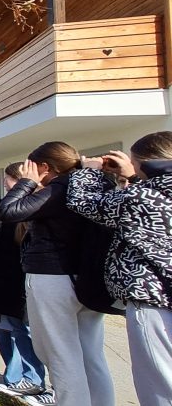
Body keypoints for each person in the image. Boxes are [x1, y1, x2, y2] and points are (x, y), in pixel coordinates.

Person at [0, 141, 114, 406]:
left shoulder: (58, 189)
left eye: (32, 167)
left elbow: (8, 211)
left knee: (60, 353)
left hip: (53, 277)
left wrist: (26, 183)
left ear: (45, 167)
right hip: (88, 278)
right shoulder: (96, 185)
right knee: (92, 355)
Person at [67, 131, 172, 406]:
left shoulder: (140, 197)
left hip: (154, 301)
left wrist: (88, 171)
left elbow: (83, 203)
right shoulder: (153, 193)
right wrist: (134, 177)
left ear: (148, 163)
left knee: (159, 386)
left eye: (134, 162)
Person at [0, 162, 47, 397]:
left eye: (6, 178)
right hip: (2, 280)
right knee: (5, 330)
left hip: (17, 283)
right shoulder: (12, 209)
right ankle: (14, 377)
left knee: (21, 332)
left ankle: (30, 378)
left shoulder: (29, 209)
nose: (4, 183)